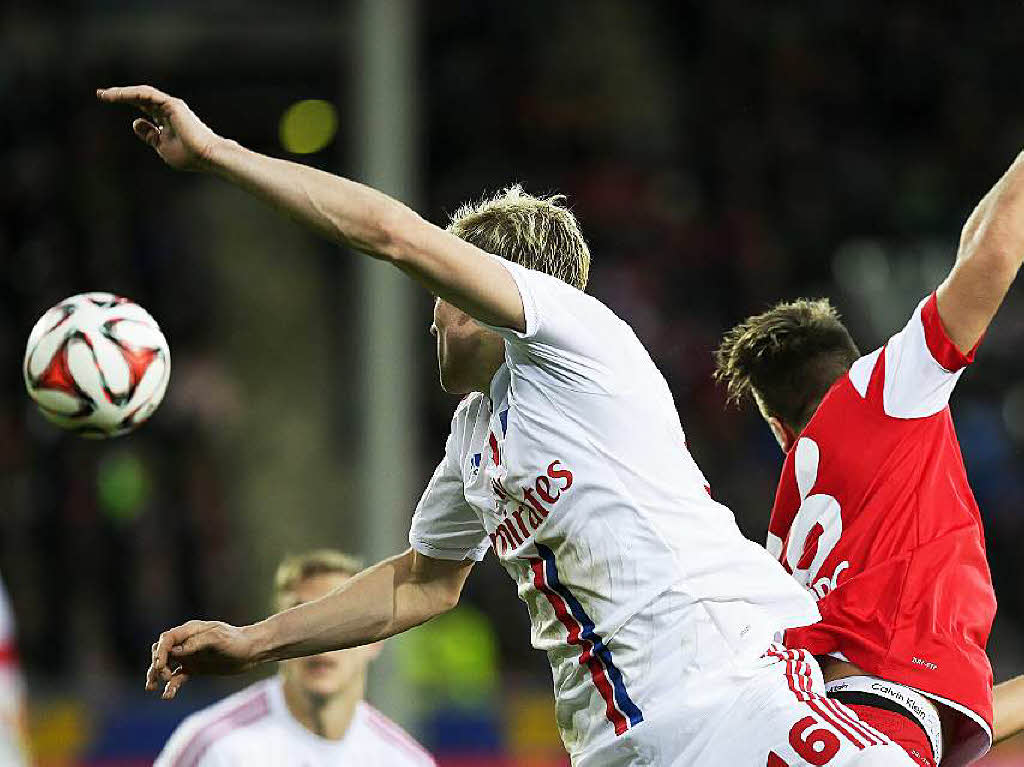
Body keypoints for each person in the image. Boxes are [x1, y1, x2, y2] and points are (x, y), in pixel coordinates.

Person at [98, 84, 913, 765]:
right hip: (622, 744)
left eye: (444, 294)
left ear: (497, 286)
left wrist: (218, 156)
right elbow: (422, 580)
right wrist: (254, 641)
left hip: (735, 690)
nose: (432, 319)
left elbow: (388, 232)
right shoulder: (474, 434)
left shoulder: (578, 342)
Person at [714, 149, 1024, 766]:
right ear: (854, 363)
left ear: (779, 428)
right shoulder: (879, 392)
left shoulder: (782, 537)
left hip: (815, 728)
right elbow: (988, 256)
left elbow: (912, 691)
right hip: (876, 728)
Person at [155, 550, 436, 766]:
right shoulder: (213, 745)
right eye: (301, 624)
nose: (319, 643)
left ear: (376, 640)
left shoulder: (405, 761)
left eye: (340, 625)